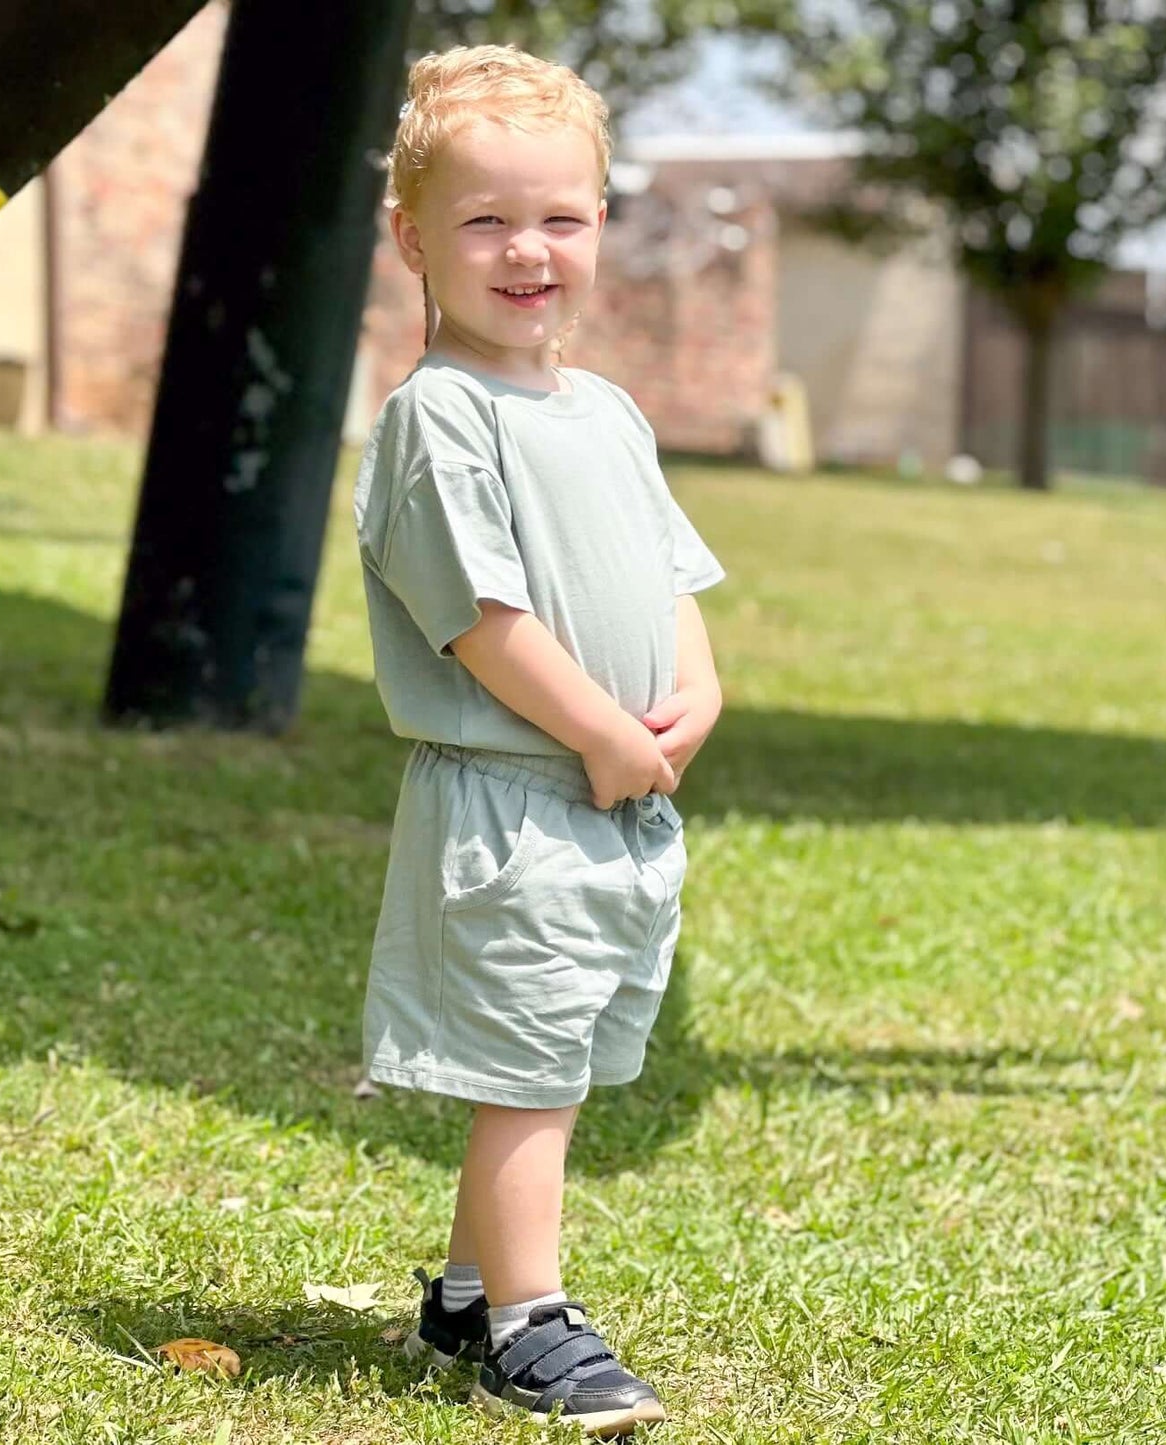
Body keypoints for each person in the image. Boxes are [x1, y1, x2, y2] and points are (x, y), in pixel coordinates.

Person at [353, 44, 725, 1437]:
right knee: (529, 1078)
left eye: (559, 217)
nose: (527, 250)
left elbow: (669, 575)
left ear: (601, 223)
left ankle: (461, 1291)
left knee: (554, 1047)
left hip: (611, 797)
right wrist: (599, 736)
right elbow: (481, 623)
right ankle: (529, 1320)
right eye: (485, 221)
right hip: (512, 802)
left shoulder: (609, 414)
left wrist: (693, 692)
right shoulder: (437, 420)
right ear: (413, 240)